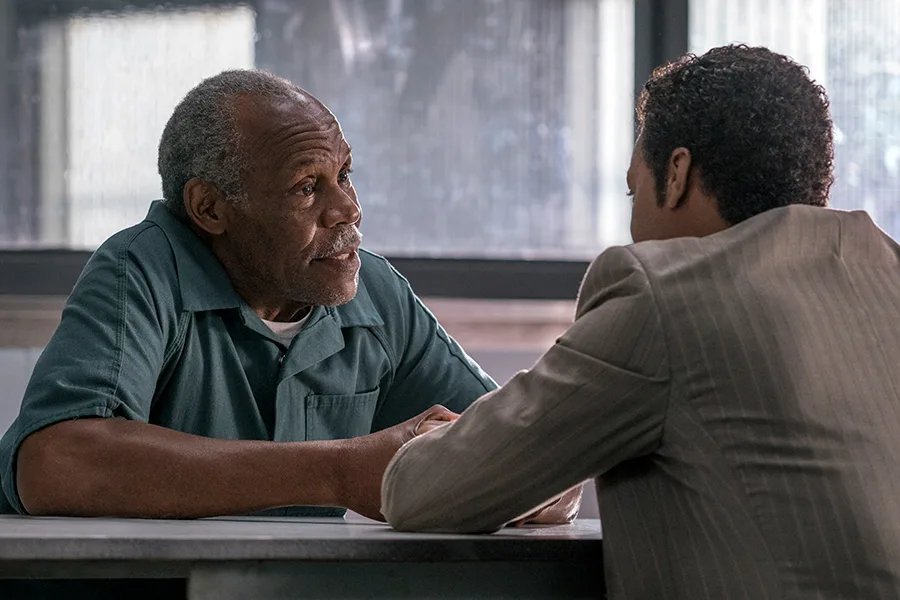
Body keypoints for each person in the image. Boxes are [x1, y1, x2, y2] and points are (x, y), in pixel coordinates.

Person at [381, 44, 900, 599]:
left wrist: (428, 442)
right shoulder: (887, 271)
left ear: (676, 174)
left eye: (634, 191)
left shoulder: (665, 296)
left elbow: (422, 493)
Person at [0, 70, 576, 524]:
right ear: (209, 209)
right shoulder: (142, 270)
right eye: (307, 187)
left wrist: (529, 482)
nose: (348, 209)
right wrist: (341, 472)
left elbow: (533, 454)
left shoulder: (375, 291)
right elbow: (56, 462)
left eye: (345, 175)